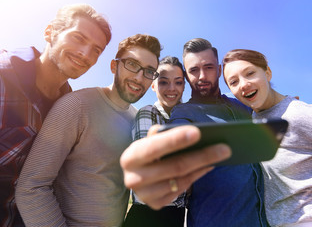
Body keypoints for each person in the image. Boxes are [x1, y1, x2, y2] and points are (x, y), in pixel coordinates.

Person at [15, 34, 161, 227]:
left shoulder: (137, 120)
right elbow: (31, 187)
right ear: (114, 66)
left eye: (149, 71)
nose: (139, 77)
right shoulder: (76, 106)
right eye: (132, 64)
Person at [0, 3, 111, 227]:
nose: (85, 54)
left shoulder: (69, 107)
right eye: (78, 38)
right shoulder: (4, 77)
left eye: (96, 50)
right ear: (50, 32)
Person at [222, 48, 312, 227]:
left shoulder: (301, 114)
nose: (243, 84)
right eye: (234, 82)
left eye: (250, 73)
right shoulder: (256, 121)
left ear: (267, 73)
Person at [166, 38, 268, 227]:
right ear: (187, 76)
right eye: (194, 70)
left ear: (219, 70)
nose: (202, 76)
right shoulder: (184, 113)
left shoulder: (242, 104)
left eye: (209, 67)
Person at [123, 56, 186, 227]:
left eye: (178, 82)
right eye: (164, 82)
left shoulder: (184, 119)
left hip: (175, 215)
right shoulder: (148, 113)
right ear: (153, 85)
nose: (171, 88)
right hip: (148, 216)